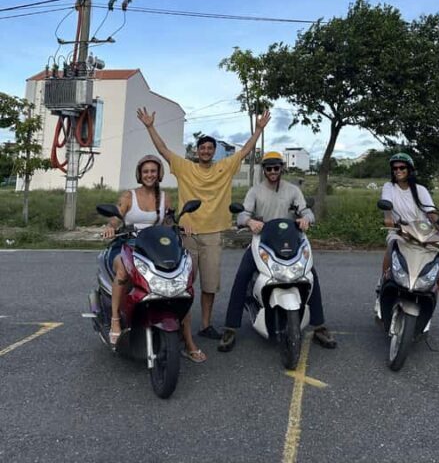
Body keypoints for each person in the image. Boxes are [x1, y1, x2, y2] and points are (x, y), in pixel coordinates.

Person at [137, 105, 271, 340]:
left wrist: (258, 129)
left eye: (210, 148)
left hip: (213, 234)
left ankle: (206, 325)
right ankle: (180, 327)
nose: (206, 151)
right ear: (196, 151)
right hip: (187, 234)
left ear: (214, 151)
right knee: (182, 285)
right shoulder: (185, 167)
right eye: (202, 148)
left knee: (209, 286)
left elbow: (245, 151)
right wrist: (150, 127)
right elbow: (163, 150)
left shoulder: (224, 167)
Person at [218, 151, 336, 352]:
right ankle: (231, 327)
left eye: (276, 167)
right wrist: (249, 221)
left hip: (291, 241)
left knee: (310, 276)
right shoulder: (255, 191)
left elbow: (307, 211)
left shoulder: (293, 190)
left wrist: (305, 219)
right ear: (264, 170)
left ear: (282, 168)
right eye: (269, 168)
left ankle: (319, 326)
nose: (272, 171)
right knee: (242, 276)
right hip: (262, 241)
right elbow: (242, 215)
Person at [100, 155, 206, 363]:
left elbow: (168, 222)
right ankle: (115, 320)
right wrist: (110, 227)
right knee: (122, 270)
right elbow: (115, 217)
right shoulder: (129, 196)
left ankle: (188, 341)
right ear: (140, 174)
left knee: (180, 285)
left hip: (154, 249)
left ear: (159, 174)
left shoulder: (165, 197)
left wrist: (181, 226)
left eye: (153, 171)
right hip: (128, 245)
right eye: (146, 171)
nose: (149, 175)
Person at [380, 152, 439, 347]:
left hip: (425, 235)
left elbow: (431, 213)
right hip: (401, 232)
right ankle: (381, 288)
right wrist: (389, 219)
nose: (398, 171)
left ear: (410, 170)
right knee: (392, 246)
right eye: (395, 168)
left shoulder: (420, 190)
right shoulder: (389, 187)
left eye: (402, 167)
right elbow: (387, 207)